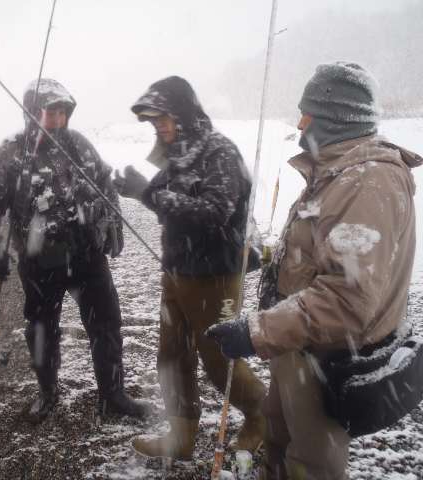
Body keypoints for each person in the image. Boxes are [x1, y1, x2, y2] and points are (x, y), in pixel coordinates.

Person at [207, 62, 422, 479]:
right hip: (298, 344)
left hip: (326, 355)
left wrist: (255, 331)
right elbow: (317, 252)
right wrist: (268, 258)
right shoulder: (337, 171)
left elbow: (346, 299)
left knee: (311, 462)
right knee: (277, 432)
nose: (299, 124)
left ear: (336, 118)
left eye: (307, 115)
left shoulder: (367, 183)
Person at [0, 78, 150, 424]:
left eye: (61, 112)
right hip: (39, 261)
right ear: (31, 112)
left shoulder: (79, 144)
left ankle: (113, 393)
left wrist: (113, 224)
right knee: (42, 329)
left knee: (106, 323)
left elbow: (104, 184)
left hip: (87, 256)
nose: (56, 119)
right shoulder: (11, 152)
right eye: (49, 111)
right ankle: (48, 391)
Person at [115, 76, 267, 460]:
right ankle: (181, 437)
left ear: (184, 113)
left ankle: (262, 416)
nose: (158, 126)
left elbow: (215, 213)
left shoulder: (219, 152)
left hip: (215, 276)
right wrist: (139, 191)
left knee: (219, 360)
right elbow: (168, 203)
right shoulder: (178, 155)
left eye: (163, 118)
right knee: (172, 356)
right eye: (153, 121)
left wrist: (146, 192)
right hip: (177, 271)